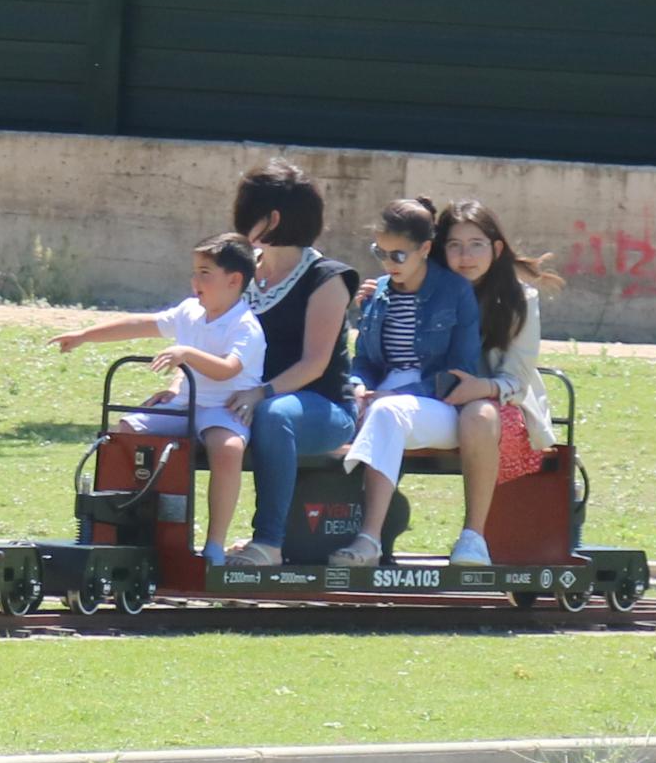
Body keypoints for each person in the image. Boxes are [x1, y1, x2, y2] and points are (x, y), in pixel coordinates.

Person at [54, 233, 264, 562]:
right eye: (194, 271)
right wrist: (84, 336)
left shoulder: (244, 326)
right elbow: (141, 324)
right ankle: (132, 530)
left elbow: (227, 369)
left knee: (228, 449)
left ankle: (213, 544)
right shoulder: (189, 311)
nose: (194, 280)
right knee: (125, 430)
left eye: (205, 273)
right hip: (183, 405)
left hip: (224, 409)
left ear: (234, 280)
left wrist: (186, 353)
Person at [335, 197, 491, 568]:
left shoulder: (454, 292)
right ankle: (303, 530)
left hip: (440, 404)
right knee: (334, 414)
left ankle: (369, 539)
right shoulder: (381, 293)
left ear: (424, 249)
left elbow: (460, 369)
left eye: (398, 255)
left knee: (387, 411)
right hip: (382, 398)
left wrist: (396, 394)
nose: (389, 264)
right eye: (380, 253)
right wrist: (357, 385)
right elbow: (366, 361)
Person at [229, 161, 357, 569]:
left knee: (272, 415)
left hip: (322, 409)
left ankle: (268, 543)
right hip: (250, 397)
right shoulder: (240, 271)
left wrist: (259, 393)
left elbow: (315, 364)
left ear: (271, 220)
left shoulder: (327, 278)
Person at [432, 199, 555, 544]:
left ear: (496, 248)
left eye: (476, 245)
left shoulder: (520, 300)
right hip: (435, 394)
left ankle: (473, 536)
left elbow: (517, 378)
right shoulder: (426, 291)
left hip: (500, 403)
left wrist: (481, 388)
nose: (465, 256)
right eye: (454, 246)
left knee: (479, 416)